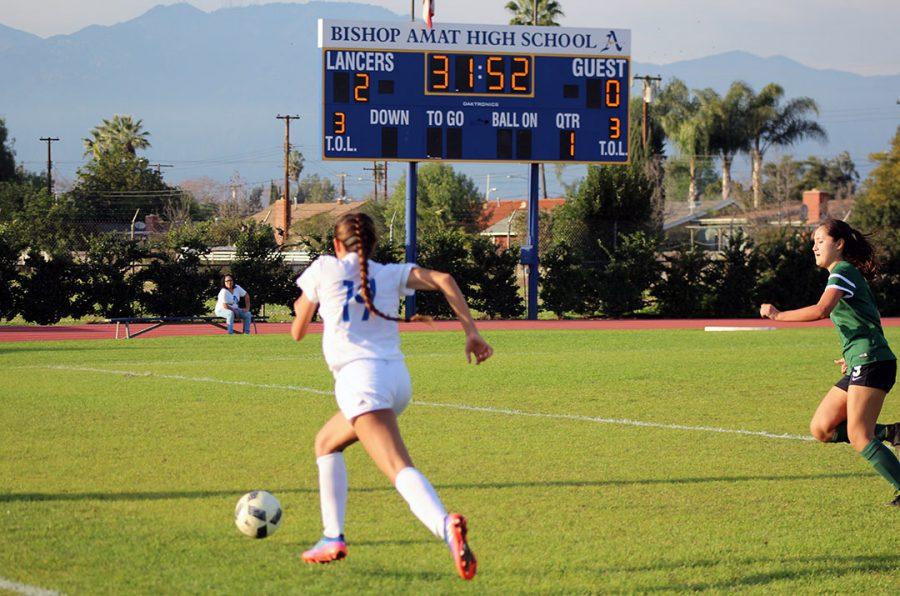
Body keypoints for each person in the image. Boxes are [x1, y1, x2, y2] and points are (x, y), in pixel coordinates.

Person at [291, 212, 492, 580]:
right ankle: (332, 537)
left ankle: (445, 526)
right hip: (396, 381)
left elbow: (297, 331)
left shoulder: (323, 268)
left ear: (336, 245)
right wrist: (471, 332)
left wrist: (305, 307)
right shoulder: (387, 273)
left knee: (398, 467)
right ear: (374, 244)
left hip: (361, 383)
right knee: (326, 443)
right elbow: (444, 279)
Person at [759, 219, 900, 506]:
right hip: (863, 359)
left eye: (820, 241)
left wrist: (778, 316)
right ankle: (893, 432)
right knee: (822, 428)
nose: (814, 246)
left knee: (859, 435)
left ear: (839, 244)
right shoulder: (842, 274)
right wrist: (850, 355)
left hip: (871, 361)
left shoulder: (843, 271)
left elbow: (823, 309)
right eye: (814, 242)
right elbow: (867, 320)